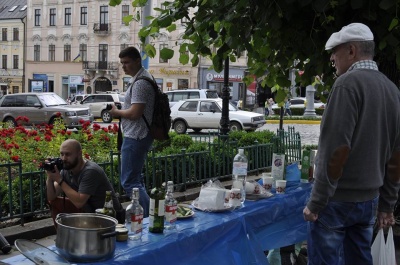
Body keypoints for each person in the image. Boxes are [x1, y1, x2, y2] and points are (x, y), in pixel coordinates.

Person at [303, 22, 400, 264]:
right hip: (369, 201)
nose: (332, 58)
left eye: (335, 51)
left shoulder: (347, 84)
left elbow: (336, 151)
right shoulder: (391, 89)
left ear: (352, 50)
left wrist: (316, 203)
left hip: (337, 201)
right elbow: (396, 155)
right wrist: (387, 203)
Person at [109, 46, 155, 217]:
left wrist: (116, 112)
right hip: (140, 135)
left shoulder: (141, 82)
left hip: (136, 136)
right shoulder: (143, 77)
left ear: (137, 60)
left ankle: (150, 216)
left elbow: (135, 113)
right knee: (137, 180)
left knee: (129, 182)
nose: (124, 66)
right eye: (122, 63)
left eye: (127, 62)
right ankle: (152, 214)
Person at [45, 139, 124, 226]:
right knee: (55, 203)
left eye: (67, 154)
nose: (63, 158)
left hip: (109, 216)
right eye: (62, 154)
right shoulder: (67, 169)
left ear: (79, 154)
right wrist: (50, 176)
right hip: (89, 212)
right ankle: (63, 236)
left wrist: (59, 180)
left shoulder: (90, 171)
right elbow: (51, 196)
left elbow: (79, 202)